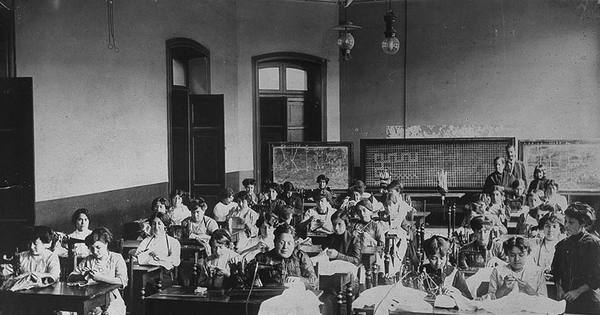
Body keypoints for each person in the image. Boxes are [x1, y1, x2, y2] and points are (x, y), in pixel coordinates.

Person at [551, 202, 600, 314]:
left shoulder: (594, 244)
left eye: (571, 222)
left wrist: (577, 292)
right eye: (565, 221)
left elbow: (597, 277)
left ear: (582, 223)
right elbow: (556, 271)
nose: (566, 225)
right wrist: (559, 289)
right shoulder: (562, 245)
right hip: (565, 299)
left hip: (588, 301)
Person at [68, 227, 128, 315]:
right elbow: (71, 277)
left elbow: (122, 281)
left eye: (98, 247)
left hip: (111, 297)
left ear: (106, 243)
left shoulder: (116, 258)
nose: (95, 252)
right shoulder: (88, 260)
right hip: (90, 297)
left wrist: (100, 278)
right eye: (92, 248)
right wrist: (83, 275)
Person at [248, 224, 317, 290]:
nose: (285, 247)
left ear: (294, 244)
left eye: (289, 243)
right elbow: (249, 279)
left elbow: (314, 282)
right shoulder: (262, 258)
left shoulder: (301, 256)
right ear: (275, 243)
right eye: (281, 243)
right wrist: (254, 280)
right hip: (270, 297)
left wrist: (300, 280)